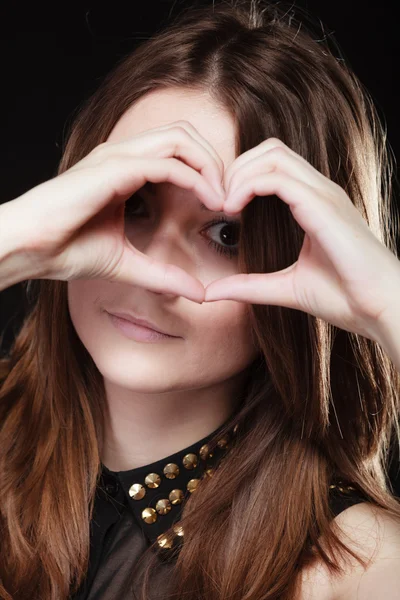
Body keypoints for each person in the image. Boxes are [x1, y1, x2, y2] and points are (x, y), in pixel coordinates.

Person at [0, 0, 400, 598]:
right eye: (132, 202)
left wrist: (388, 301)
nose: (155, 273)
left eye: (228, 235)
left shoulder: (356, 566)